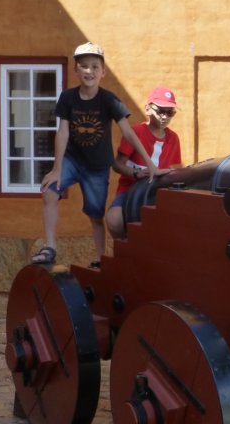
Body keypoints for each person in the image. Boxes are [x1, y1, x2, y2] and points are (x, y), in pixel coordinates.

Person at [31, 42, 161, 266]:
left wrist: (150, 164)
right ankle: (50, 247)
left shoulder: (109, 100)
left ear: (103, 72)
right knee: (49, 193)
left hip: (98, 167)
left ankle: (101, 259)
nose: (89, 71)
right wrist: (57, 169)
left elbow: (128, 133)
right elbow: (62, 132)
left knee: (95, 215)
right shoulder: (68, 98)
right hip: (72, 160)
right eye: (83, 66)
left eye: (94, 66)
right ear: (76, 70)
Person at [106, 87, 183, 239]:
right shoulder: (136, 132)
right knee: (114, 219)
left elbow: (173, 169)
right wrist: (136, 173)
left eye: (170, 113)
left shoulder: (173, 138)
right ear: (148, 109)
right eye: (160, 111)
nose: (164, 116)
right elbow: (117, 165)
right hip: (130, 189)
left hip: (159, 191)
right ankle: (123, 246)